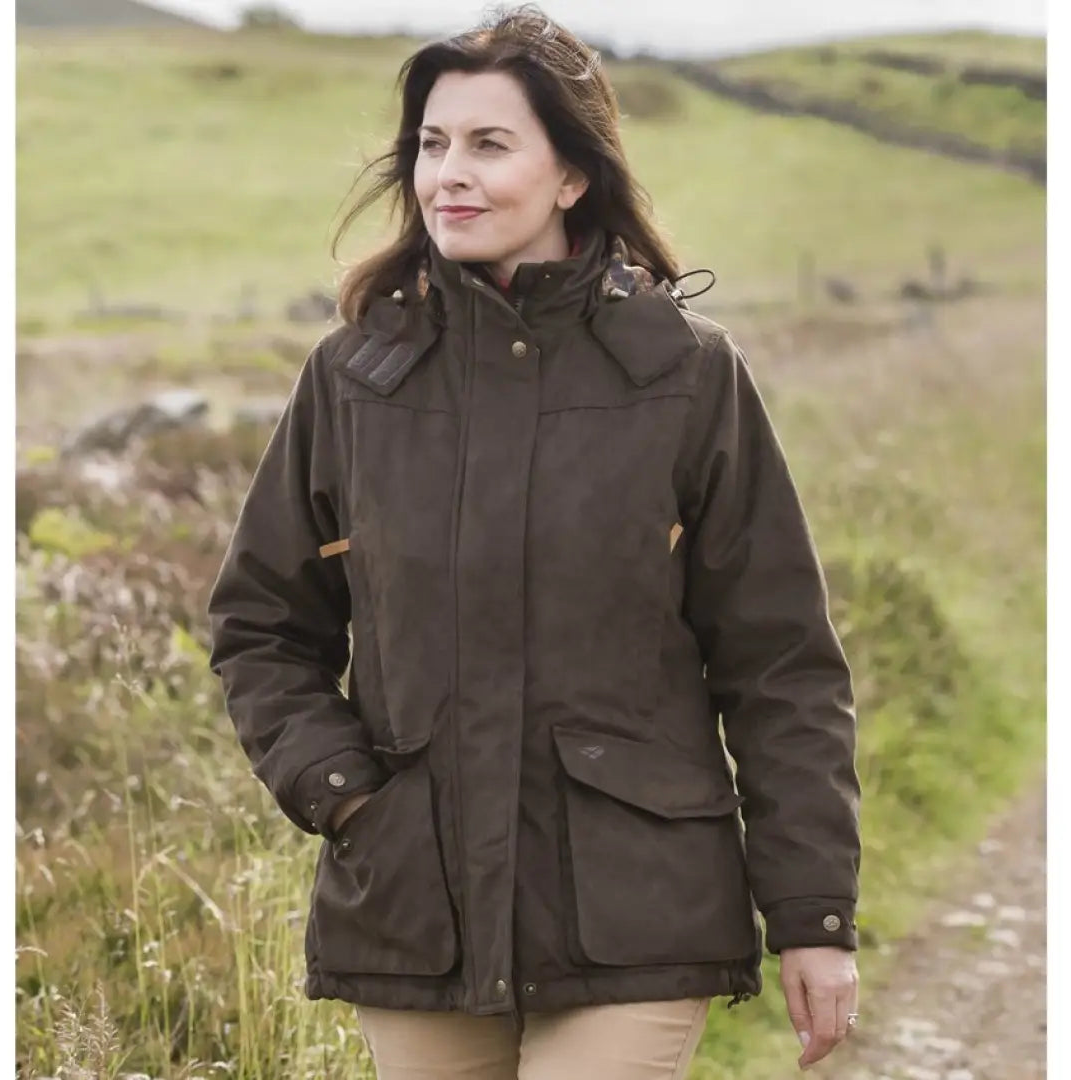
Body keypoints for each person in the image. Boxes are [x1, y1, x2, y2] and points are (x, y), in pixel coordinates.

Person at [206, 5, 862, 1077]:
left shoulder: (686, 377)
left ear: (572, 177)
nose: (446, 175)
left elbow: (781, 663)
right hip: (416, 904)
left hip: (636, 911)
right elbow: (261, 625)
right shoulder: (354, 378)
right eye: (431, 144)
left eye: (489, 144)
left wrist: (812, 913)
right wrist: (346, 795)